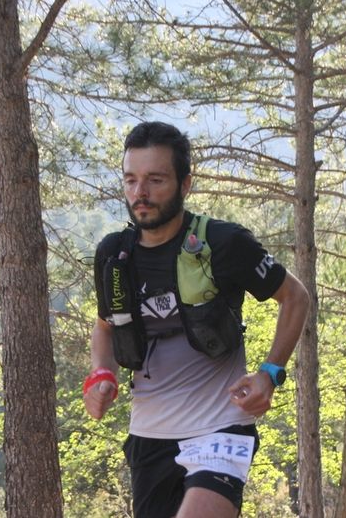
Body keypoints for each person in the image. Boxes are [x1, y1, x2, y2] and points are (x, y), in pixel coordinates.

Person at [84, 121, 309, 518]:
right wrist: (101, 375)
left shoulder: (224, 243)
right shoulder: (114, 254)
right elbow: (105, 327)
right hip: (149, 435)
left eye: (155, 180)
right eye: (131, 180)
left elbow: (295, 297)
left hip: (220, 428)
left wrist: (270, 373)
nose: (140, 193)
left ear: (185, 184)